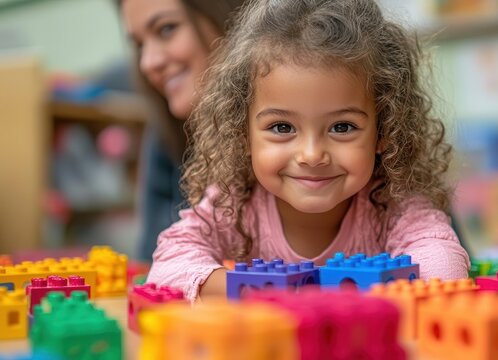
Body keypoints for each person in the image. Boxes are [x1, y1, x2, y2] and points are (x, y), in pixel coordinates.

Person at [147, 0, 471, 302]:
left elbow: (443, 261)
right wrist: (260, 290)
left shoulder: (393, 203)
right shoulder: (235, 204)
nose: (312, 154)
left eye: (342, 127)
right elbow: (167, 267)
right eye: (282, 128)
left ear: (384, 131)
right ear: (242, 133)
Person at [119, 0, 246, 261]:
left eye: (166, 29)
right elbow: (152, 261)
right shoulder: (165, 135)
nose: (148, 63)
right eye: (140, 44)